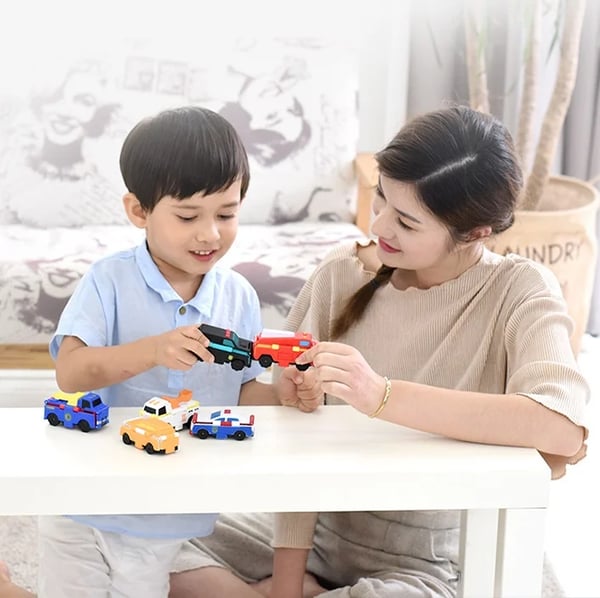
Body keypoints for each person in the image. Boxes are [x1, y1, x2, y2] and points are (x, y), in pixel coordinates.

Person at [167, 105, 590, 598]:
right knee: (147, 549)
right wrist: (285, 583)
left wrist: (380, 395)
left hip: (433, 555)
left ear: (475, 233)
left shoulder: (519, 291)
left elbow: (559, 426)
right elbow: (297, 446)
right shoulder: (342, 272)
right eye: (382, 198)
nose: (381, 226)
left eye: (407, 222)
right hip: (322, 522)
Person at [24, 105, 318, 598]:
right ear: (139, 211)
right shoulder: (108, 280)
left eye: (226, 214)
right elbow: (70, 372)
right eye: (187, 216)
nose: (210, 233)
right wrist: (153, 350)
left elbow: (236, 395)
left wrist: (282, 397)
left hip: (165, 512)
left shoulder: (239, 297)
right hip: (83, 499)